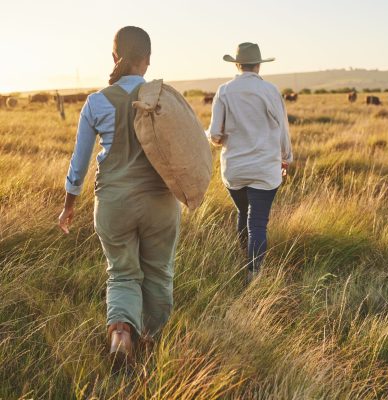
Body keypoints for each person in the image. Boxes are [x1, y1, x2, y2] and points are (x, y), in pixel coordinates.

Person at [57, 26, 180, 368]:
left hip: (113, 203)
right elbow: (186, 150)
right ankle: (152, 339)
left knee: (123, 274)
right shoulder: (162, 98)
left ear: (114, 58)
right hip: (160, 204)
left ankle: (122, 335)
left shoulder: (96, 102)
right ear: (148, 60)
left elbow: (79, 162)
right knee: (158, 273)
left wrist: (69, 206)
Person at [207, 42, 293, 282]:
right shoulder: (271, 91)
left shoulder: (224, 91)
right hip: (265, 168)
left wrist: (221, 139)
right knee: (257, 223)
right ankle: (253, 274)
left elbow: (215, 135)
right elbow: (283, 130)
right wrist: (286, 158)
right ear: (258, 65)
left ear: (237, 64)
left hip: (234, 169)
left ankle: (241, 262)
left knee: (242, 212)